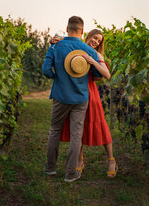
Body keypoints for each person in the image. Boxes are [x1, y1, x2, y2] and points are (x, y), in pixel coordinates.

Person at [42, 16, 102, 182]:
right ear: (82, 31)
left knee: (54, 130)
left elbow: (46, 70)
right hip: (80, 98)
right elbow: (97, 75)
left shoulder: (56, 46)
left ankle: (50, 168)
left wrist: (58, 77)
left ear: (67, 28)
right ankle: (70, 173)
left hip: (60, 95)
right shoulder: (90, 51)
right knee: (77, 135)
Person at [59, 29, 118, 178]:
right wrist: (54, 42)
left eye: (99, 41)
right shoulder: (77, 49)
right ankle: (80, 159)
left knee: (99, 124)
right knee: (77, 126)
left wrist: (93, 62)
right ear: (88, 35)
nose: (96, 42)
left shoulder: (96, 54)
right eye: (95, 38)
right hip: (74, 92)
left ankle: (111, 160)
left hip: (90, 93)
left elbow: (107, 75)